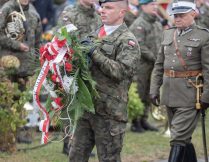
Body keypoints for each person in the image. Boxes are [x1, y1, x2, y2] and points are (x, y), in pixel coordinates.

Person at [69, 0, 140, 161]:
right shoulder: (93, 34)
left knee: (109, 159)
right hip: (87, 108)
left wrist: (95, 52)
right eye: (102, 7)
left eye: (108, 7)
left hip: (110, 113)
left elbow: (121, 72)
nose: (102, 10)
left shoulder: (128, 40)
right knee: (75, 157)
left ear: (122, 12)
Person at [150, 0, 209, 161]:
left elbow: (208, 69)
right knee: (183, 137)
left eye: (181, 15)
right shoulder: (168, 34)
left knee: (177, 138)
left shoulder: (203, 36)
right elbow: (159, 65)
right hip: (169, 94)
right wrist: (154, 89)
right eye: (175, 15)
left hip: (190, 95)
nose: (177, 18)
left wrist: (206, 96)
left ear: (193, 14)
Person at [58, 0, 101, 155]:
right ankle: (67, 143)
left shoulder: (97, 14)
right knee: (70, 105)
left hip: (93, 68)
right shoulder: (70, 13)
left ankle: (82, 145)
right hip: (73, 67)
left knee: (86, 107)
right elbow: (63, 39)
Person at [0, 0, 42, 143]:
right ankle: (5, 137)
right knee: (5, 101)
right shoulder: (7, 8)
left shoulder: (33, 11)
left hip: (26, 66)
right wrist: (17, 45)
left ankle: (16, 134)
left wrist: (37, 62)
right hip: (8, 64)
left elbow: (38, 40)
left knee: (20, 101)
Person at [129, 0, 163, 133]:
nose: (155, 7)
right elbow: (139, 46)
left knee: (151, 91)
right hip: (141, 66)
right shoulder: (139, 24)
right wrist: (157, 59)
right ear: (143, 6)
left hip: (154, 66)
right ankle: (135, 121)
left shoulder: (157, 23)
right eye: (151, 5)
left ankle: (144, 119)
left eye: (155, 4)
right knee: (140, 92)